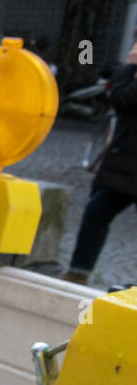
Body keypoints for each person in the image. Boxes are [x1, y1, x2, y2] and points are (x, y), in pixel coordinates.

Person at [61, 39, 137, 285]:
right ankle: (78, 272)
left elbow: (126, 100)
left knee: (97, 213)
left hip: (125, 163)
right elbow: (120, 95)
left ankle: (79, 272)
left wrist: (130, 68)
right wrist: (127, 68)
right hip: (124, 163)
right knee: (96, 213)